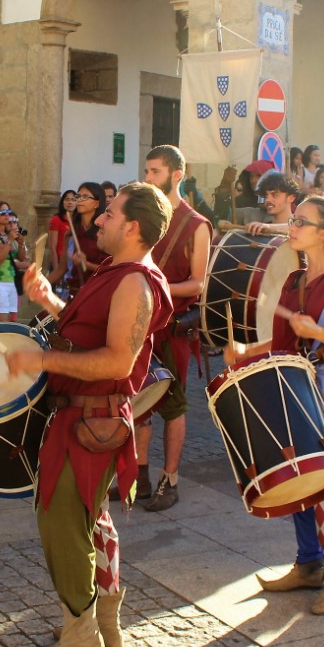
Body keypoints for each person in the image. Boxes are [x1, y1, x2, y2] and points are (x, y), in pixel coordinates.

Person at [3, 182, 173, 647]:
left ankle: (80, 634)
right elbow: (90, 335)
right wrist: (53, 303)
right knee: (93, 520)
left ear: (133, 226)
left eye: (110, 214)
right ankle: (105, 622)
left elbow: (119, 360)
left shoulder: (135, 281)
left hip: (90, 419)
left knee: (61, 519)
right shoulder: (116, 273)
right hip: (80, 414)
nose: (98, 220)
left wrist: (40, 357)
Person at [230, 195, 324, 614]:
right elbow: (283, 341)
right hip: (297, 386)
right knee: (298, 479)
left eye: (301, 222)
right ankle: (309, 564)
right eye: (293, 220)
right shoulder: (295, 279)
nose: (291, 227)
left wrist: (318, 332)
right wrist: (247, 350)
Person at [135, 145, 211, 511]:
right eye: (147, 171)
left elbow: (198, 284)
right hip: (141, 325)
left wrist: (156, 284)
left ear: (176, 174)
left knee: (174, 405)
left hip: (174, 327)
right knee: (138, 403)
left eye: (154, 172)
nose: (147, 178)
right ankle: (139, 478)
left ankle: (171, 480)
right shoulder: (145, 218)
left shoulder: (197, 225)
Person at [49, 182, 107, 296]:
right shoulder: (71, 234)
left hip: (97, 294)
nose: (79, 200)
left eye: (85, 197)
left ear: (97, 203)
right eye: (78, 196)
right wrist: (40, 283)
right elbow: (61, 270)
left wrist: (87, 264)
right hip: (75, 293)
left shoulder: (104, 233)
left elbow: (111, 270)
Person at [0, 201, 28, 322]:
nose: (7, 215)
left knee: (12, 324)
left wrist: (21, 242)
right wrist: (9, 241)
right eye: (2, 212)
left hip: (11, 282)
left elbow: (22, 257)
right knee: (1, 324)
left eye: (8, 212)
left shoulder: (9, 235)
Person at [245, 171, 301, 237]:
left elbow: (298, 228)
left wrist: (269, 227)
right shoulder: (261, 229)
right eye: (266, 195)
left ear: (291, 198)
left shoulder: (302, 224)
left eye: (275, 195)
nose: (268, 200)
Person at [49, 190, 76, 269]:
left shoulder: (79, 220)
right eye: (67, 199)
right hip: (60, 261)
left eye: (73, 200)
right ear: (63, 202)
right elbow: (52, 247)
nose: (70, 202)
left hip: (75, 262)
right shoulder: (56, 219)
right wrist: (56, 268)